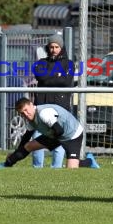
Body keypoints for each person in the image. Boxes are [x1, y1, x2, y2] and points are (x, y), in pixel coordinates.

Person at [0, 97, 99, 169]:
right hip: (55, 134)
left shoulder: (44, 113)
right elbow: (25, 139)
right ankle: (7, 164)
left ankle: (89, 161)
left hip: (72, 134)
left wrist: (49, 142)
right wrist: (13, 155)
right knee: (28, 146)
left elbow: (59, 130)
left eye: (26, 110)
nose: (26, 114)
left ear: (31, 105)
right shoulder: (30, 120)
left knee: (71, 169)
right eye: (22, 113)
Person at [30, 34, 71, 168]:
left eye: (56, 47)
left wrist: (49, 76)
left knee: (58, 140)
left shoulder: (68, 64)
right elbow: (41, 77)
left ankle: (56, 168)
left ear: (61, 47)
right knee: (37, 138)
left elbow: (65, 81)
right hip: (42, 107)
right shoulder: (41, 63)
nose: (53, 49)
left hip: (60, 108)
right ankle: (37, 168)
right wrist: (56, 75)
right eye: (51, 47)